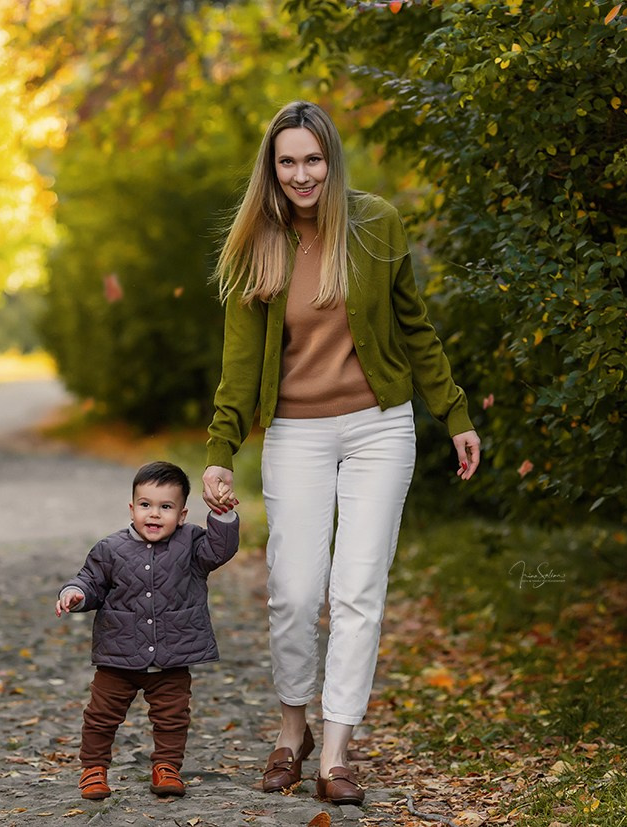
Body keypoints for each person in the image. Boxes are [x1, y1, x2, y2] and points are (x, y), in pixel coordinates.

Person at [200, 101, 480, 806]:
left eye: (313, 160)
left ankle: (335, 751)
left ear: (332, 160)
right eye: (287, 162)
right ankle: (291, 728)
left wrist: (453, 412)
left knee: (358, 590)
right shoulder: (257, 243)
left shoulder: (375, 223)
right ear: (272, 168)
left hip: (379, 429)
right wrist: (220, 449)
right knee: (294, 592)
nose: (302, 175)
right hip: (295, 433)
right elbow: (239, 365)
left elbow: (414, 326)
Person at [55, 461, 240, 801]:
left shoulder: (191, 544)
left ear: (182, 515)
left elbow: (220, 550)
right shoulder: (111, 549)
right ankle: (93, 769)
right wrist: (75, 594)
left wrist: (224, 514)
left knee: (172, 718)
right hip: (118, 657)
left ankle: (166, 767)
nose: (154, 514)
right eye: (145, 505)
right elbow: (90, 581)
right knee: (100, 717)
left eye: (166, 507)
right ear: (132, 508)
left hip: (172, 656)